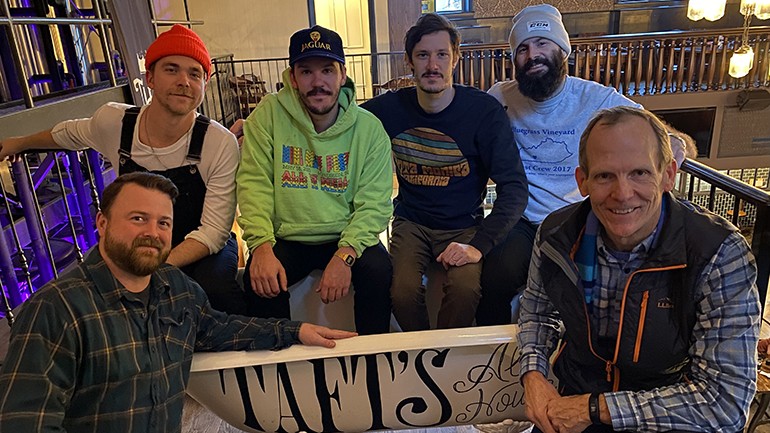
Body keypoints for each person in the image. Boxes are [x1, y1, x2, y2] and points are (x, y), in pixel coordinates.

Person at [0, 172, 355, 433]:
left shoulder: (174, 287)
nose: (153, 233)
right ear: (102, 223)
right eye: (138, 218)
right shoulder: (56, 309)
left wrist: (297, 330)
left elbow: (220, 328)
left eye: (163, 223)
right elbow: (24, 421)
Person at [518, 106, 760, 433]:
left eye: (639, 173)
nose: (622, 194)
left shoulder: (719, 251)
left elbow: (725, 403)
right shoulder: (554, 234)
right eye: (605, 175)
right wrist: (533, 373)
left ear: (668, 175)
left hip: (670, 412)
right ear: (583, 181)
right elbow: (537, 311)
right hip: (575, 397)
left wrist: (595, 408)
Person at [0, 25, 245, 315]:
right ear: (150, 78)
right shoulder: (115, 122)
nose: (184, 81)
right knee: (81, 299)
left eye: (194, 74)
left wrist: (152, 269)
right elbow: (68, 133)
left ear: (204, 83)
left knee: (215, 289)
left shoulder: (218, 143)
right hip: (135, 243)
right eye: (171, 69)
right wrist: (17, 143)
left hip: (199, 246)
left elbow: (214, 231)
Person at [362, 13, 528, 331]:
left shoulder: (483, 112)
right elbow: (339, 114)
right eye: (423, 55)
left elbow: (515, 187)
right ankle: (421, 350)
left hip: (464, 225)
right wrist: (260, 120)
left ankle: (446, 354)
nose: (432, 65)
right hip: (412, 223)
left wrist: (480, 245)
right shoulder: (388, 109)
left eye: (441, 55)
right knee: (402, 291)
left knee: (467, 290)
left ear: (455, 59)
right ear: (409, 62)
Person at [479, 4, 642, 326]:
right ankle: (491, 359)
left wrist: (675, 147)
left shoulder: (597, 99)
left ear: (562, 50)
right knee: (494, 276)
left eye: (542, 43)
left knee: (583, 285)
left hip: (577, 215)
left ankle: (581, 356)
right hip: (521, 218)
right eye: (522, 48)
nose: (532, 54)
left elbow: (656, 133)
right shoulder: (499, 96)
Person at [237, 25, 393, 335]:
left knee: (378, 270)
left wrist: (345, 254)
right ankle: (279, 371)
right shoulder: (267, 117)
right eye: (306, 71)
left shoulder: (369, 129)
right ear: (292, 78)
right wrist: (262, 247)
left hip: (343, 234)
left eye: (327, 70)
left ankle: (372, 363)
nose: (317, 82)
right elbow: (254, 186)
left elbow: (375, 203)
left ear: (343, 75)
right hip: (287, 237)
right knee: (259, 282)